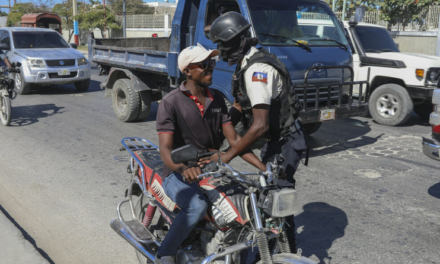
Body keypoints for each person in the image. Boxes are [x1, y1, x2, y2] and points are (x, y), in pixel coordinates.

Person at [155, 44, 266, 264]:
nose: (210, 68)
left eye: (212, 63)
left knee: (245, 200)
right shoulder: (171, 102)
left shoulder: (216, 99)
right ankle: (164, 254)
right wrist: (183, 168)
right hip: (178, 171)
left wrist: (265, 169)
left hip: (210, 168)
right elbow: (165, 149)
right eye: (204, 65)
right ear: (187, 71)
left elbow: (235, 142)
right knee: (196, 204)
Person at [209, 12, 309, 253]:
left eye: (223, 45)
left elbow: (260, 125)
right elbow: (237, 106)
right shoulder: (246, 63)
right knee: (269, 196)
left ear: (239, 41)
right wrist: (219, 128)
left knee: (277, 201)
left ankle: (286, 254)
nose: (221, 51)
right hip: (276, 140)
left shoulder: (257, 71)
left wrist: (228, 155)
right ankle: (272, 249)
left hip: (285, 142)